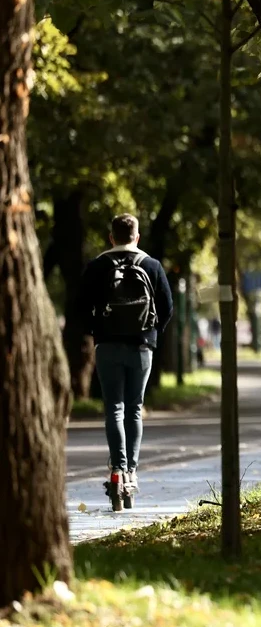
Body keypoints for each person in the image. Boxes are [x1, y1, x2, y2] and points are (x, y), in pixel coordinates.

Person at [77, 214, 173, 510]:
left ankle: (117, 470)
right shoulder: (151, 265)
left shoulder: (97, 266)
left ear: (111, 237)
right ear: (137, 237)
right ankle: (131, 470)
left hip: (107, 347)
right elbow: (167, 307)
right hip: (141, 347)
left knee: (114, 409)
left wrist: (98, 331)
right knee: (134, 409)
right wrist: (150, 334)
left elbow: (80, 307)